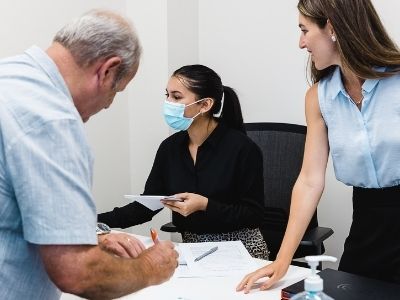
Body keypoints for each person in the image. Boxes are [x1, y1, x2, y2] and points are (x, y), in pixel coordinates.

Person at [0, 9, 178, 300]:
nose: (107, 106)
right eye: (116, 92)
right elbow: (78, 272)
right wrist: (151, 266)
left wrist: (91, 237)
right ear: (107, 71)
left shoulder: (9, 76)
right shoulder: (53, 121)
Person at [237, 0, 400, 293]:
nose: (301, 43)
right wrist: (283, 259)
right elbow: (310, 181)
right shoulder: (318, 97)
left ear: (333, 28)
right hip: (367, 224)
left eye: (305, 30)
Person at [98, 64, 269, 259]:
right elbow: (145, 207)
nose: (168, 102)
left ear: (205, 105)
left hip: (241, 248)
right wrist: (94, 223)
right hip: (192, 249)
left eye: (177, 97)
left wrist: (205, 205)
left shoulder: (242, 148)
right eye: (167, 95)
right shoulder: (169, 148)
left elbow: (254, 214)